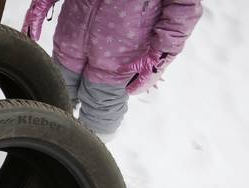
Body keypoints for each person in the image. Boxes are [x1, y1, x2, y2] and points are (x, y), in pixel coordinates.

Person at [23, 0, 203, 137]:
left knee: (98, 121)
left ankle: (82, 165)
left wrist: (160, 57)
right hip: (71, 37)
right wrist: (40, 5)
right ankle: (41, 153)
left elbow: (183, 8)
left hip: (121, 57)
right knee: (54, 101)